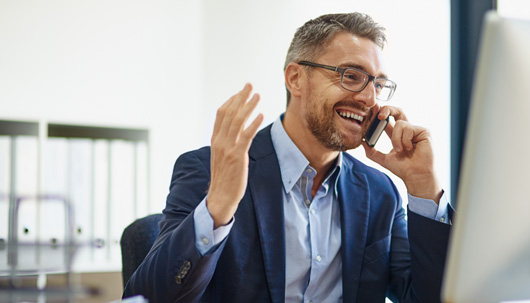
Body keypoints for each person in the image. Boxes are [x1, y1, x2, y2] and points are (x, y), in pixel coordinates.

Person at [123, 12, 452, 303]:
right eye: (351, 76)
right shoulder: (209, 169)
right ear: (296, 78)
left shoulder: (379, 192)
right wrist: (217, 209)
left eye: (378, 85)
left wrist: (424, 187)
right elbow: (148, 297)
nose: (369, 98)